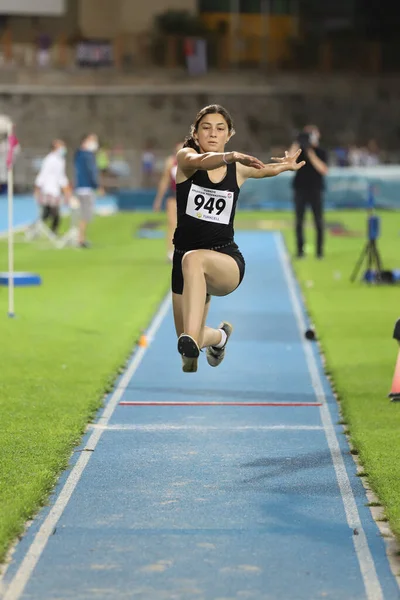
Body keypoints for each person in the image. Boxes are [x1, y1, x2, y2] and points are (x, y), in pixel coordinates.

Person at [173, 104, 305, 373]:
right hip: (184, 264)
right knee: (189, 349)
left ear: (228, 134)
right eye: (206, 128)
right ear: (196, 135)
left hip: (225, 260)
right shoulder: (186, 158)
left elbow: (264, 170)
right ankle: (219, 338)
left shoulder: (238, 171)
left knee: (194, 259)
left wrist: (284, 167)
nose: (212, 134)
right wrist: (230, 156)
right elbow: (199, 161)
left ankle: (207, 337)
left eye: (220, 129)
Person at [289, 125, 329, 259]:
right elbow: (289, 161)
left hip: (315, 189)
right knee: (299, 221)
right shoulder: (299, 151)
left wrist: (311, 153)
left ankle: (320, 252)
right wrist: (297, 144)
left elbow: (323, 169)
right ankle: (300, 251)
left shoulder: (321, 151)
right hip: (300, 188)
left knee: (318, 221)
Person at [153, 142, 183, 262]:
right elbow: (164, 180)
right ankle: (171, 252)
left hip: (189, 196)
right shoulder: (171, 162)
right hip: (174, 195)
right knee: (172, 223)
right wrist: (158, 199)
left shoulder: (193, 161)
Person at [34, 139, 70, 234]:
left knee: (49, 213)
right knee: (51, 213)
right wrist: (37, 188)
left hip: (55, 190)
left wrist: (66, 189)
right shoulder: (49, 160)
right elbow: (43, 174)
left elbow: (61, 177)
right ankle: (49, 231)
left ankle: (48, 230)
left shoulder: (60, 160)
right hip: (48, 190)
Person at [74, 133, 100, 248]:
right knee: (85, 214)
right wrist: (97, 186)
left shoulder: (79, 154)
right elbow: (91, 172)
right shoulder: (87, 156)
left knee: (83, 214)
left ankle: (81, 237)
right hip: (86, 188)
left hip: (80, 187)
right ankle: (81, 239)